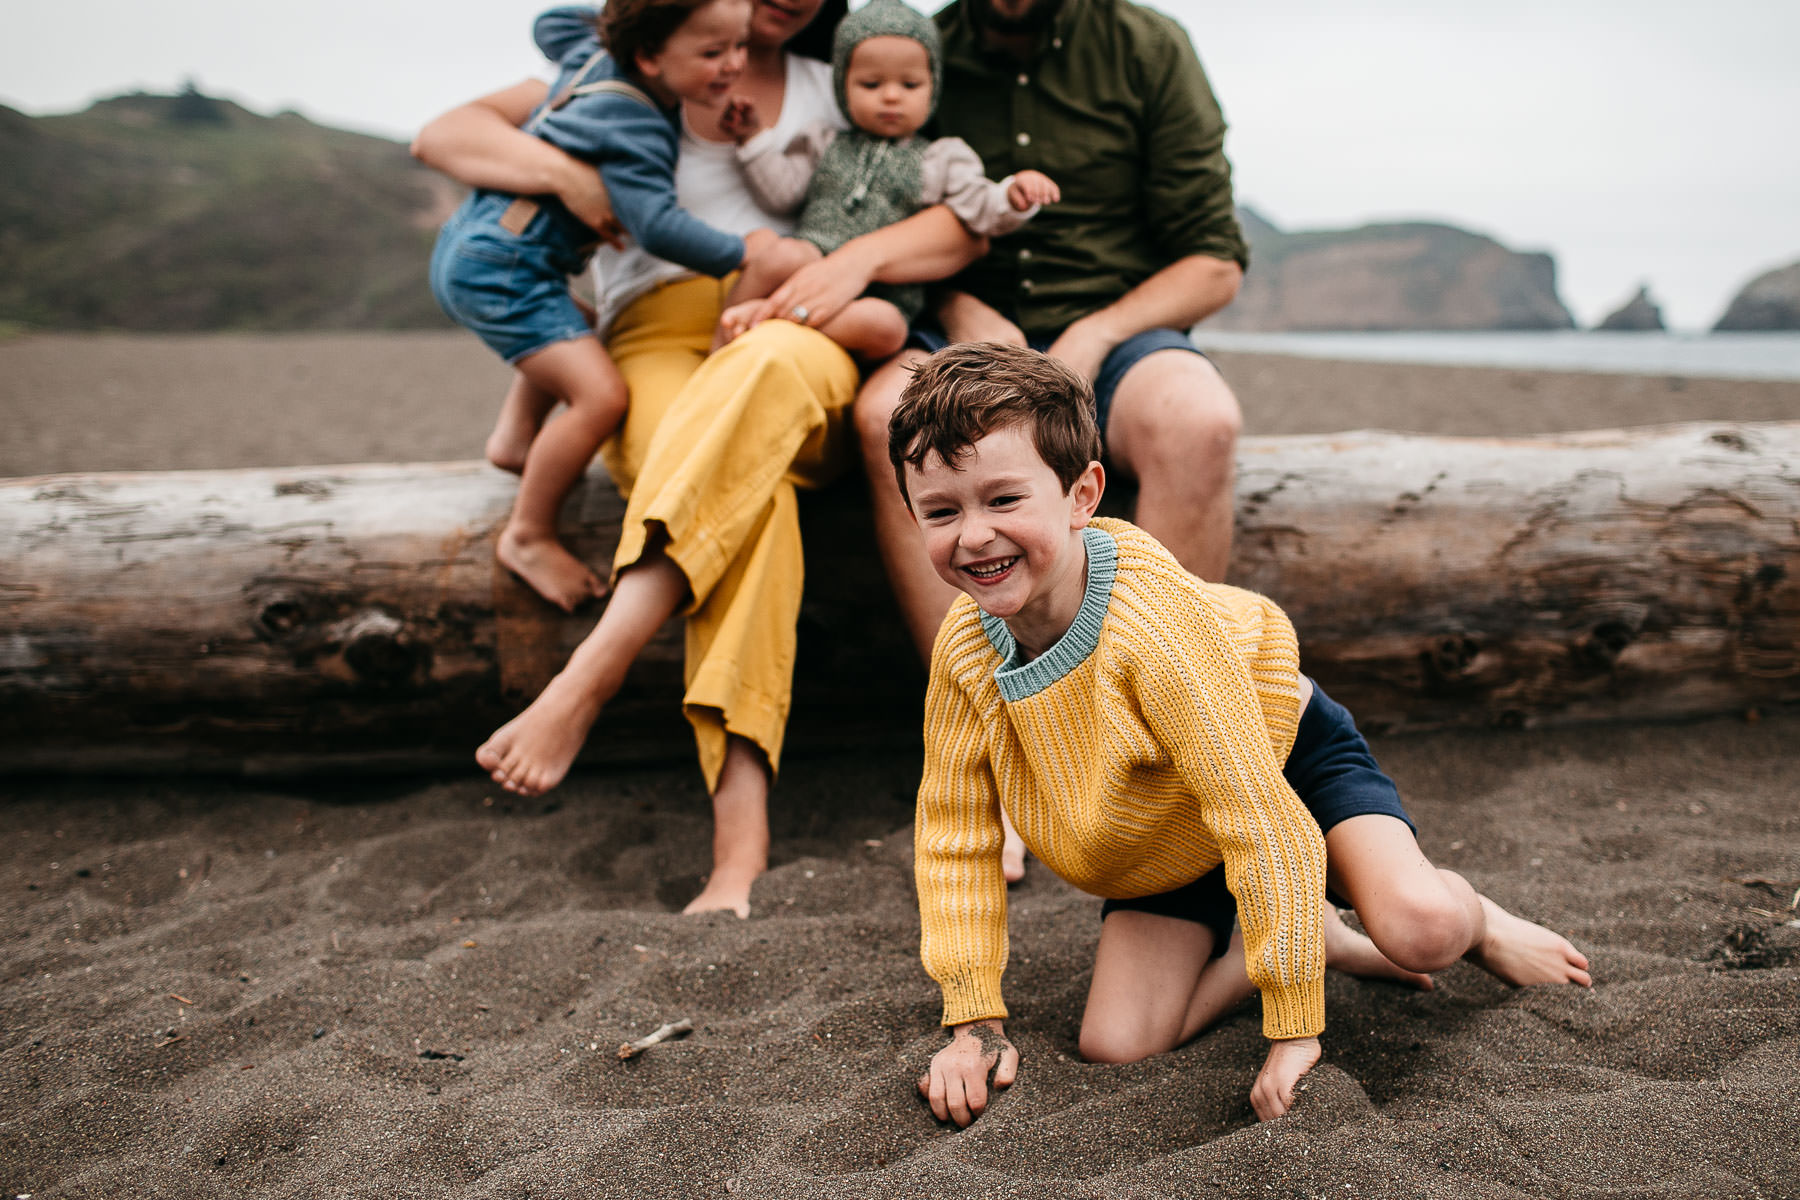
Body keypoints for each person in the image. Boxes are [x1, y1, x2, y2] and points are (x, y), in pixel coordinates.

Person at [891, 344, 1593, 1126]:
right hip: (1167, 829)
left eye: (1004, 500)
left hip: (1279, 760)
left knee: (1418, 930)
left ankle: (1478, 917)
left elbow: (1260, 815)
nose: (976, 536)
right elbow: (955, 836)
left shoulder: (1151, 628)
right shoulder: (964, 649)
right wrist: (973, 1022)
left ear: (1082, 493)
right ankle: (1309, 937)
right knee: (1116, 1044)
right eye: (944, 511)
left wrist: (1295, 1031)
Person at [412, 0, 987, 917]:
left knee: (756, 376)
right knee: (745, 506)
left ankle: (588, 678)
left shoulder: (832, 81)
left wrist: (848, 267)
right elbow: (442, 137)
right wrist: (567, 175)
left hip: (794, 321)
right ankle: (740, 839)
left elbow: (947, 210)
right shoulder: (622, 72)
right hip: (651, 327)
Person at [851, 0, 1252, 880]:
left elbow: (1215, 260)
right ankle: (991, 759)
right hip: (962, 329)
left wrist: (1100, 334)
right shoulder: (915, 52)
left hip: (1113, 330)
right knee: (887, 417)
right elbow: (867, 208)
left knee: (1201, 420)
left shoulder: (1149, 45)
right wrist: (961, 312)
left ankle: (1161, 735)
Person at [431, 0, 776, 612]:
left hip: (482, 243)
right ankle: (529, 533)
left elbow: (551, 23)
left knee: (577, 331)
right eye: (713, 53)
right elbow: (658, 226)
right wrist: (740, 250)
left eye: (740, 46)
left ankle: (515, 444)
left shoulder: (589, 51)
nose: (734, 65)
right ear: (648, 56)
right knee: (602, 396)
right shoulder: (634, 123)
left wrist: (623, 21)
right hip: (506, 269)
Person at [711, 0, 1059, 359]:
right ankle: (719, 349)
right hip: (813, 258)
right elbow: (782, 194)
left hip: (884, 291)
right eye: (871, 83)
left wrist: (1013, 195)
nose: (891, 96)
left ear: (933, 87)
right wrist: (753, 140)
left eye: (909, 84)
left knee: (887, 326)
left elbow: (978, 207)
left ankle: (767, 316)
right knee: (778, 254)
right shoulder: (824, 141)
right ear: (843, 86)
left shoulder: (941, 158)